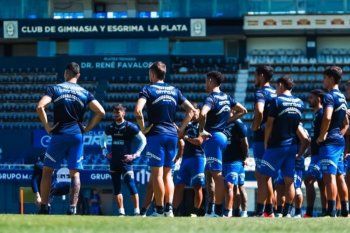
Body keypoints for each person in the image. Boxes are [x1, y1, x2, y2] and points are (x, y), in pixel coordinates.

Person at [36, 62, 105, 215]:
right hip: (76, 135)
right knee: (75, 173)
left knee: (47, 171)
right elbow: (101, 112)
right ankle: (72, 208)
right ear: (78, 75)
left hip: (59, 135)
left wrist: (47, 127)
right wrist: (87, 128)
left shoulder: (55, 88)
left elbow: (40, 107)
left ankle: (44, 207)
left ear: (66, 73)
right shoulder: (85, 92)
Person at [134, 61, 195, 217]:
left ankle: (159, 210)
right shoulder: (175, 90)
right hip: (172, 136)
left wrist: (143, 128)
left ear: (153, 74)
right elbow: (192, 111)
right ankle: (169, 209)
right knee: (168, 175)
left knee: (157, 175)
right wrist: (181, 129)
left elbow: (137, 111)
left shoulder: (147, 89)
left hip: (156, 135)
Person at [258, 76, 309, 217]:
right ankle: (286, 212)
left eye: (276, 86)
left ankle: (265, 210)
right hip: (292, 146)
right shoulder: (300, 103)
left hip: (276, 145)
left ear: (281, 85)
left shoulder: (276, 101)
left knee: (264, 176)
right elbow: (298, 125)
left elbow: (269, 124)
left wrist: (266, 141)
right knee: (289, 180)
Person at [199, 71, 247, 217]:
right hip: (222, 137)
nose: (205, 83)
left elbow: (202, 113)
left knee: (217, 176)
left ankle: (218, 212)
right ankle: (216, 211)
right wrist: (227, 122)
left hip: (213, 137)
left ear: (212, 81)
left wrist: (201, 130)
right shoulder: (227, 97)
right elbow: (243, 110)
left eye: (207, 81)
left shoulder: (212, 98)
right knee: (215, 175)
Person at [101, 104, 147, 216]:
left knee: (131, 185)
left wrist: (135, 155)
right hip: (114, 162)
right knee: (116, 187)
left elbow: (144, 140)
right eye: (114, 112)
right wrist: (105, 151)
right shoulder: (110, 127)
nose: (116, 114)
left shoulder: (130, 126)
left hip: (126, 162)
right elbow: (103, 139)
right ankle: (121, 212)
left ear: (123, 113)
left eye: (118, 112)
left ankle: (137, 211)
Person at [316, 66, 348, 217]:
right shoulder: (342, 97)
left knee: (329, 177)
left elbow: (327, 117)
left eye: (324, 78)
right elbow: (346, 122)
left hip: (330, 142)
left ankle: (331, 211)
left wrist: (322, 135)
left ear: (330, 78)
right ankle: (345, 210)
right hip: (339, 141)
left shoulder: (329, 96)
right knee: (340, 176)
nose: (323, 80)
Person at [251, 65, 277, 216]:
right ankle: (270, 210)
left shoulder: (260, 92)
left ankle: (264, 210)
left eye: (255, 76)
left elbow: (260, 111)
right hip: (274, 138)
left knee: (261, 175)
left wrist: (255, 126)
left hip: (262, 138)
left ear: (261, 76)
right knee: (266, 175)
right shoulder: (276, 92)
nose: (254, 79)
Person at [173, 106, 205, 217]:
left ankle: (195, 212)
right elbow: (179, 135)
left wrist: (186, 137)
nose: (192, 113)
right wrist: (180, 128)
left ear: (200, 111)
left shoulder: (203, 123)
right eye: (190, 111)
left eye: (194, 111)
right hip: (186, 158)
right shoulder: (188, 124)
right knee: (179, 186)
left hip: (198, 158)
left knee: (197, 186)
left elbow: (199, 141)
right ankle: (174, 212)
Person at [304, 89, 327, 217]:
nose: (309, 99)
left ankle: (309, 212)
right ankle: (325, 211)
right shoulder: (317, 114)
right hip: (315, 155)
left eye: (311, 97)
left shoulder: (322, 113)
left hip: (321, 155)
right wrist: (308, 152)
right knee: (321, 183)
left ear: (318, 99)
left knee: (308, 179)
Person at [222, 118, 249, 217]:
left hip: (236, 160)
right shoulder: (222, 121)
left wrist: (245, 157)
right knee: (234, 187)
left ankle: (235, 212)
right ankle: (236, 211)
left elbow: (245, 142)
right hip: (225, 159)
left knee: (234, 185)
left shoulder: (237, 123)